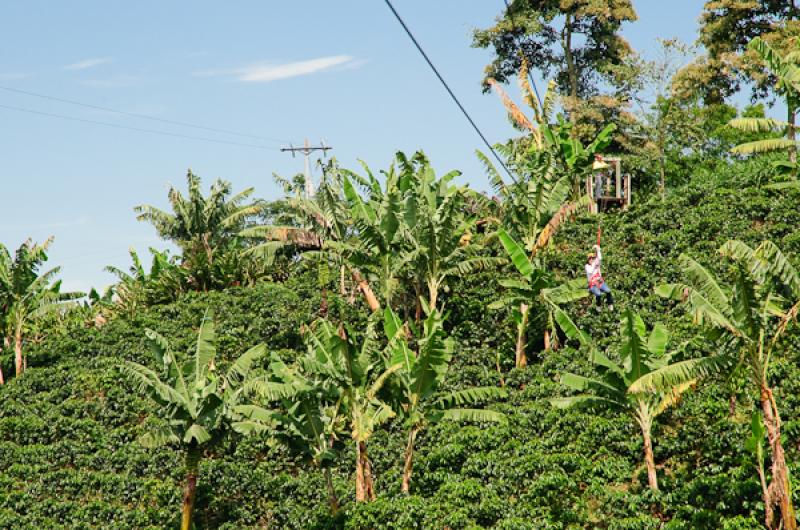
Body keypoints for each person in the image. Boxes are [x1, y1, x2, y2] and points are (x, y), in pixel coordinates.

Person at [585, 244, 614, 310]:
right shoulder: (587, 266)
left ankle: (610, 304)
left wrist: (598, 250)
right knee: (598, 294)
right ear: (588, 260)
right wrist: (594, 264)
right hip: (592, 284)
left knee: (608, 291)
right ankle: (598, 305)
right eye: (590, 258)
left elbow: (600, 258)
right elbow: (590, 272)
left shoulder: (596, 263)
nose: (592, 260)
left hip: (600, 282)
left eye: (593, 258)